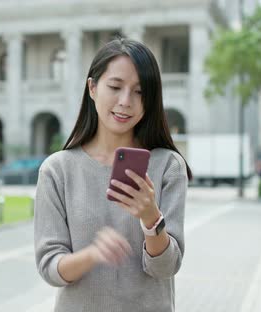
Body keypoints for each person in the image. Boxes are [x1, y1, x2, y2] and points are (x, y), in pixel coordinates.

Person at [34, 38, 192, 312]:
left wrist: (151, 219)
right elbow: (50, 268)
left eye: (140, 92)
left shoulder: (168, 166)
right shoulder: (57, 170)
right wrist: (92, 255)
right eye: (115, 87)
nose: (125, 102)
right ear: (93, 88)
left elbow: (166, 268)